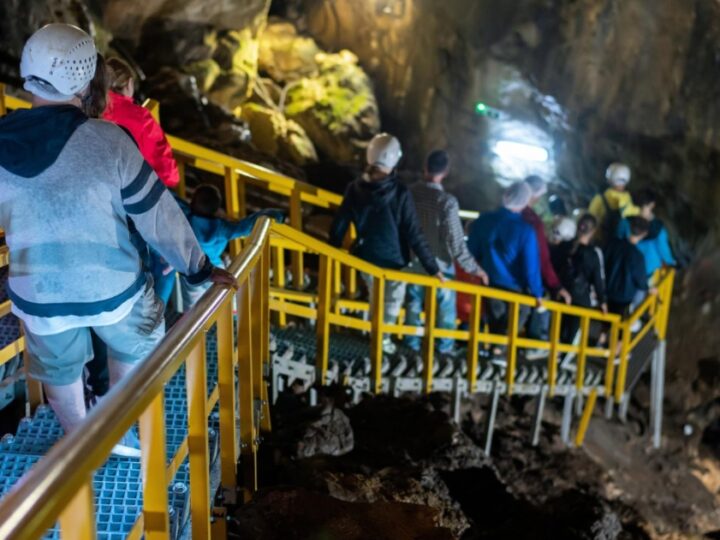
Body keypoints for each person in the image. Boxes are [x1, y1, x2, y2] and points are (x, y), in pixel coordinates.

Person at [0, 24, 234, 456]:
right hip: (113, 287)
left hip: (39, 295)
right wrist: (199, 268)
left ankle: (80, 442)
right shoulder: (109, 141)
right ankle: (116, 423)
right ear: (88, 78)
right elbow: (157, 214)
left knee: (57, 364)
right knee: (139, 336)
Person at [329, 133, 442, 354]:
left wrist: (331, 250)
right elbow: (413, 232)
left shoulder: (354, 188)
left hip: (367, 257)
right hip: (394, 261)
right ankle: (383, 339)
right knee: (391, 302)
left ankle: (374, 335)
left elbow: (339, 224)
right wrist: (432, 267)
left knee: (375, 297)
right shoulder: (400, 192)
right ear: (395, 159)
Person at [104, 56, 181, 306]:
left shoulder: (88, 111)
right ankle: (155, 313)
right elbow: (167, 172)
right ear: (127, 84)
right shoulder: (140, 117)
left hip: (99, 207)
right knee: (168, 262)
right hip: (136, 207)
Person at [404, 150, 488, 355]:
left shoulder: (408, 193)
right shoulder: (446, 202)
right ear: (446, 171)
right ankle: (444, 348)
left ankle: (411, 344)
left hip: (412, 261)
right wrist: (477, 270)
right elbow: (457, 244)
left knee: (413, 303)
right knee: (445, 308)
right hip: (440, 267)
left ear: (425, 166)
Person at [177, 184, 284, 309]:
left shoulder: (185, 219)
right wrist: (276, 214)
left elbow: (173, 199)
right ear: (217, 208)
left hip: (190, 266)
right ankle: (230, 317)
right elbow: (245, 226)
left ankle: (192, 323)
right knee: (224, 297)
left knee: (193, 306)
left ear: (193, 202)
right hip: (215, 267)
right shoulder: (221, 228)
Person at [467, 181, 543, 338]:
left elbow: (471, 251)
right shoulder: (526, 230)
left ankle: (493, 354)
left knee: (495, 326)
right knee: (510, 327)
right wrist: (537, 293)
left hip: (489, 282)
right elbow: (531, 268)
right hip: (514, 288)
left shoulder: (484, 220)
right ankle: (498, 354)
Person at [550, 215, 607, 343]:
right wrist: (602, 301)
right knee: (572, 333)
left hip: (561, 293)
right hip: (580, 299)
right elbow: (598, 280)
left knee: (558, 328)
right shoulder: (593, 254)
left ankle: (555, 354)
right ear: (593, 231)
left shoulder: (564, 246)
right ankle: (562, 358)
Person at [617, 189, 676, 280]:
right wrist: (670, 263)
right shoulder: (658, 228)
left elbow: (618, 239)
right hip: (648, 268)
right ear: (652, 204)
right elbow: (663, 249)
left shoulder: (625, 221)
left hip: (626, 266)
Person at [604, 217, 654, 316]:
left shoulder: (613, 244)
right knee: (618, 323)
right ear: (644, 234)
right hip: (623, 297)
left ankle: (603, 331)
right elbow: (640, 281)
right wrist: (649, 288)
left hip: (606, 290)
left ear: (630, 226)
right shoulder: (637, 256)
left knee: (606, 320)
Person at [588, 162, 639, 243]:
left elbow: (590, 219)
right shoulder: (628, 199)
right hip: (623, 244)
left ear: (610, 179)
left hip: (603, 240)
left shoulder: (599, 198)